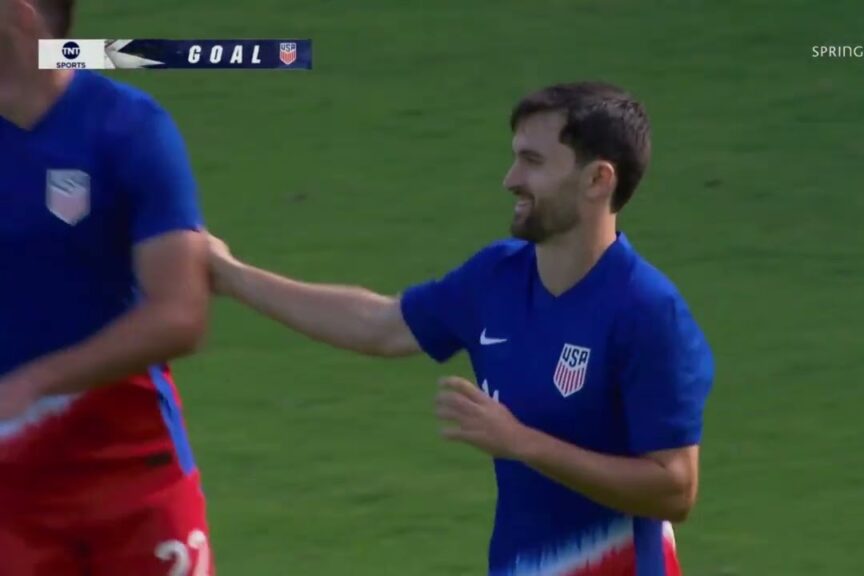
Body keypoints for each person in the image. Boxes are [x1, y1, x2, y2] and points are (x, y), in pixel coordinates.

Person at [209, 81, 713, 576]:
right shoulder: (497, 277)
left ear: (597, 180)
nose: (510, 178)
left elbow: (674, 487)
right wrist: (232, 276)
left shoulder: (647, 312)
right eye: (516, 157)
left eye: (533, 162)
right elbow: (381, 325)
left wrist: (523, 442)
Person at [0, 1, 215, 574]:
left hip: (133, 475)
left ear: (20, 18)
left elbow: (181, 314)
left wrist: (39, 380)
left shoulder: (127, 128)